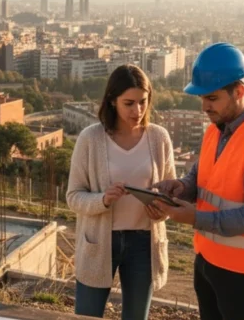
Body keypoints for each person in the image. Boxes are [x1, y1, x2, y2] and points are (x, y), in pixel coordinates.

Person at [152, 43, 244, 320]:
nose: (205, 106)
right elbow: (202, 176)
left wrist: (196, 217)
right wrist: (182, 187)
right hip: (208, 259)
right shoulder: (216, 130)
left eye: (212, 98)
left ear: (239, 92)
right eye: (202, 98)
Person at [66, 65, 175, 320]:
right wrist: (103, 199)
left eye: (143, 102)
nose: (137, 111)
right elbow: (73, 197)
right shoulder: (90, 139)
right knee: (87, 317)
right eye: (129, 103)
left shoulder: (159, 138)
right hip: (99, 242)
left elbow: (172, 193)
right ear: (112, 101)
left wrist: (161, 211)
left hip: (144, 243)